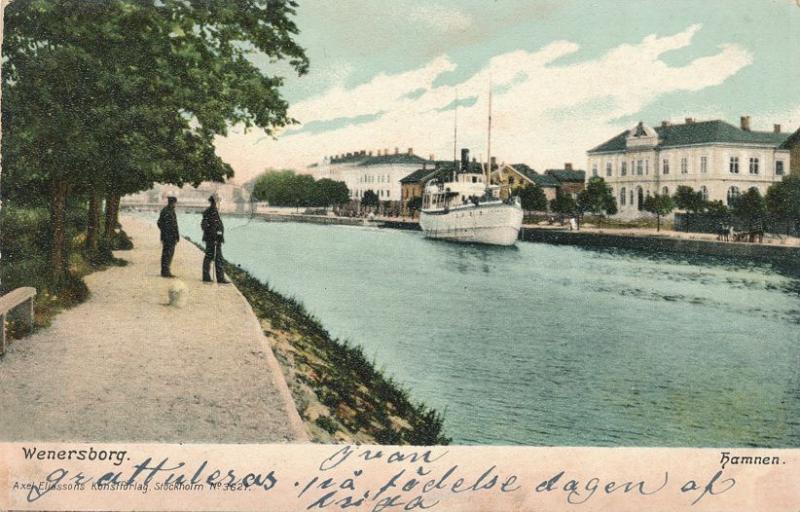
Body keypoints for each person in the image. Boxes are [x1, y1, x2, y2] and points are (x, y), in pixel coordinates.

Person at [201, 194, 228, 284]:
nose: (219, 202)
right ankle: (219, 278)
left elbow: (208, 226)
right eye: (218, 201)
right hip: (214, 240)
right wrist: (216, 237)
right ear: (215, 202)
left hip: (213, 239)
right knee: (217, 258)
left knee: (210, 257)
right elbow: (211, 227)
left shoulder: (210, 211)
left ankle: (207, 276)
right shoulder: (212, 212)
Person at [157, 196, 179, 278]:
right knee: (167, 254)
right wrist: (165, 232)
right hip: (167, 237)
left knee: (169, 254)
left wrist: (177, 236)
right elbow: (159, 223)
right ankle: (165, 271)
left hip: (172, 237)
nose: (175, 205)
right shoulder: (165, 211)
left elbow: (175, 225)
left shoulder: (171, 211)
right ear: (172, 203)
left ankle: (167, 270)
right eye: (174, 203)